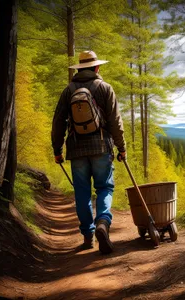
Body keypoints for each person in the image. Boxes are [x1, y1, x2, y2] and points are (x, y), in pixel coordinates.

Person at [51, 50, 126, 254]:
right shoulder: (105, 88)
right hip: (101, 147)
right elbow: (115, 122)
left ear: (80, 68)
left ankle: (88, 236)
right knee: (104, 188)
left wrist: (57, 149)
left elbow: (58, 122)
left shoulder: (68, 91)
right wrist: (122, 148)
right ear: (97, 67)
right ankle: (103, 221)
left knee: (82, 192)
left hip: (76, 150)